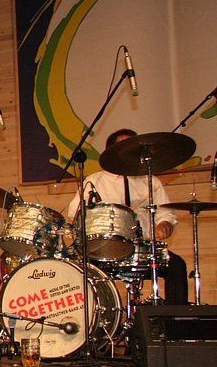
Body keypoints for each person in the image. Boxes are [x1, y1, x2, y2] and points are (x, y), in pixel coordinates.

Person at [66, 128, 188, 304]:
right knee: (77, 269)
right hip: (104, 249)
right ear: (111, 153)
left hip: (143, 249)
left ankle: (175, 318)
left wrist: (165, 223)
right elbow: (74, 212)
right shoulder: (96, 180)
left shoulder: (150, 180)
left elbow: (165, 212)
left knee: (176, 265)